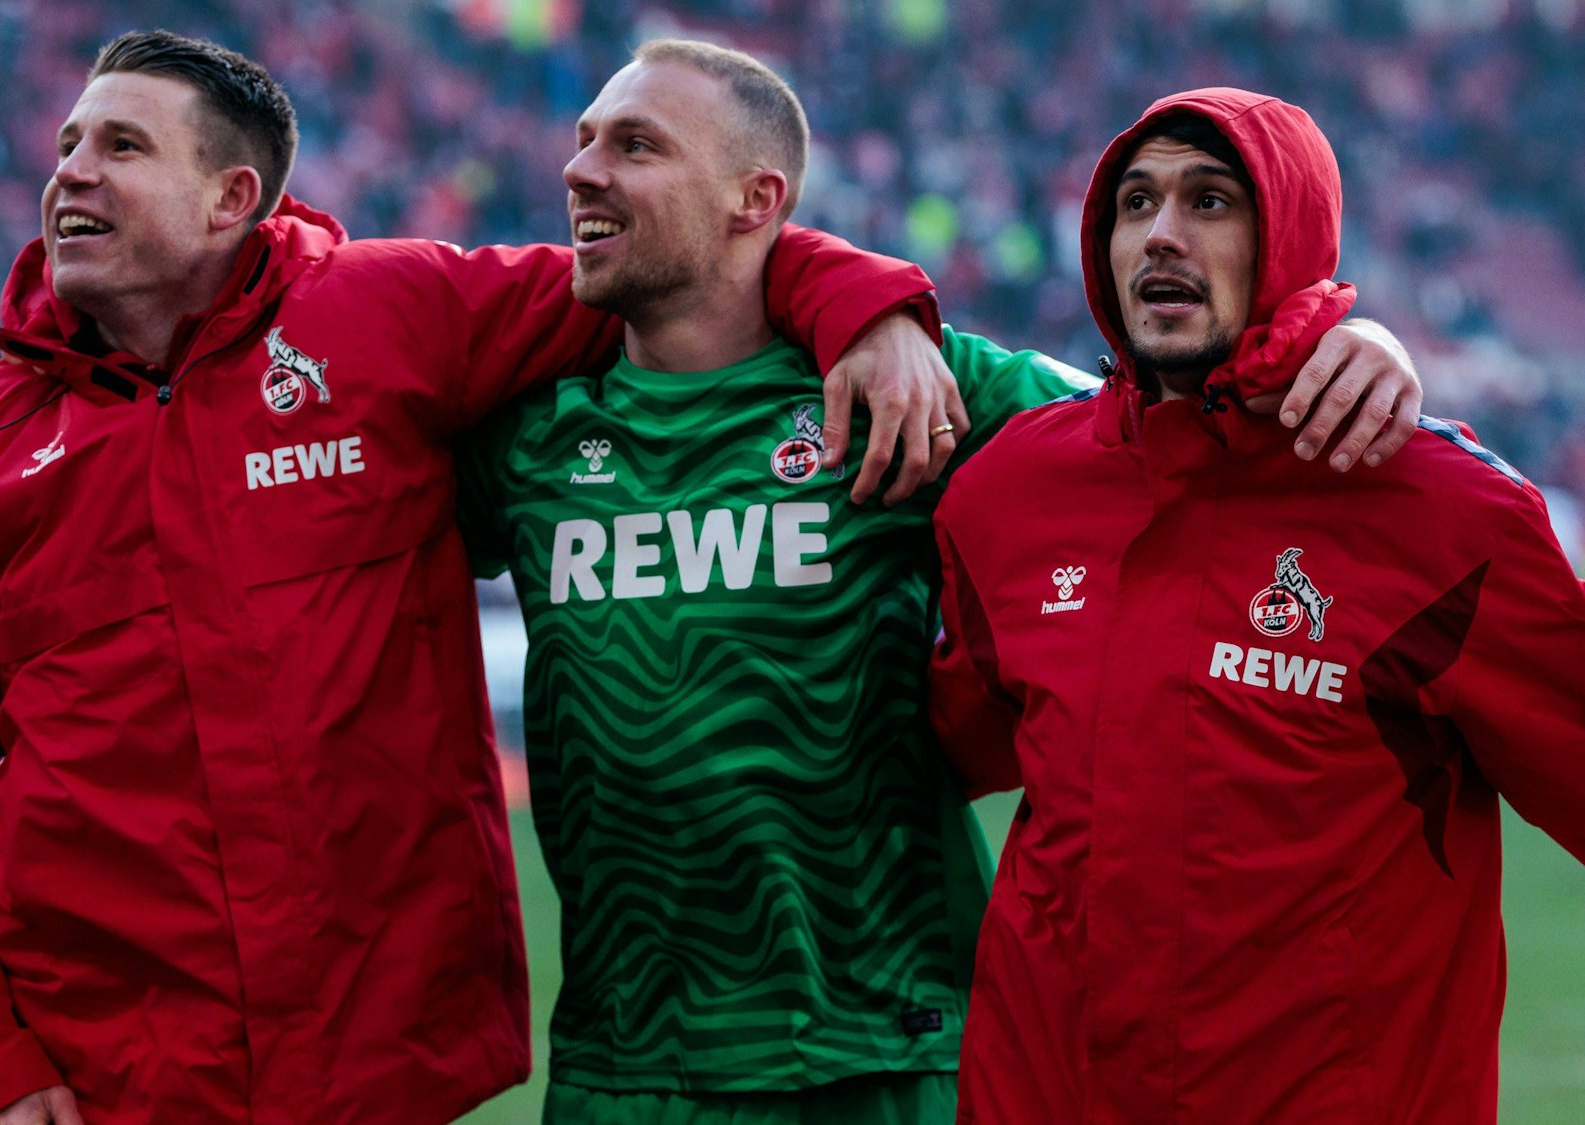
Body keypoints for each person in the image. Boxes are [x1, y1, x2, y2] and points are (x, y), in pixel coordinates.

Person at [0, 30, 966, 1125]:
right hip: (106, 1082)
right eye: (68, 144)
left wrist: (868, 307)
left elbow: (673, 263)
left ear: (231, 199)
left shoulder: (388, 315)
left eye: (121, 147)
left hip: (377, 1076)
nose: (69, 171)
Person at [458, 50, 1423, 1124]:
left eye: (633, 145)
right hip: (624, 1070)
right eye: (584, 138)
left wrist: (1345, 343)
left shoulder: (918, 387)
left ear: (755, 200)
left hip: (888, 1053)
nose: (579, 169)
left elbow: (1181, 428)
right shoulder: (526, 437)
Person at [928, 88, 1585, 1122]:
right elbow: (933, 746)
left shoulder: (1436, 513)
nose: (1160, 235)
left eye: (1209, 201)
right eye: (1131, 204)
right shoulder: (1010, 494)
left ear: (1289, 234)